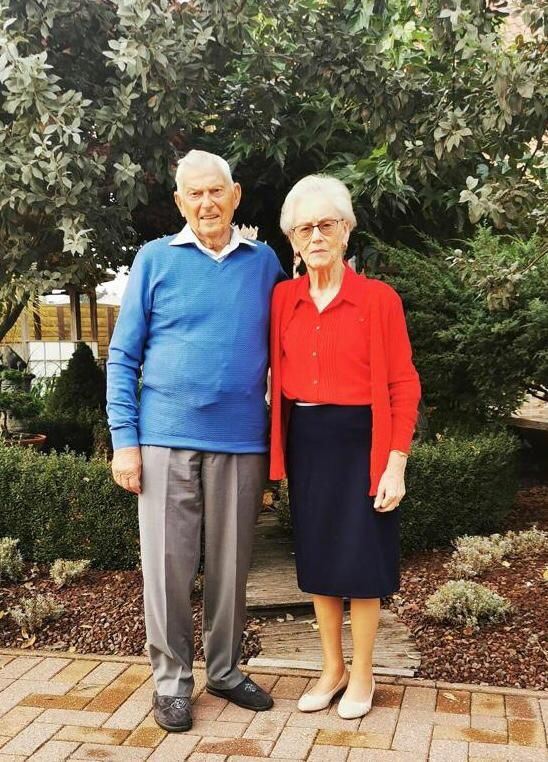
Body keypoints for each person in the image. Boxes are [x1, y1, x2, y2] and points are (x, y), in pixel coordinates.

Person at [106, 150, 286, 732]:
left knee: (232, 568)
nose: (207, 203)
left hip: (241, 439)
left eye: (216, 191)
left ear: (236, 196)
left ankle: (225, 671)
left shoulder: (264, 263)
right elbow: (123, 356)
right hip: (163, 437)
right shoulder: (154, 259)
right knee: (168, 569)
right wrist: (125, 440)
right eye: (195, 194)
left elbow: (284, 347)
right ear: (180, 202)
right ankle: (171, 682)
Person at [269, 175, 421, 719]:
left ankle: (363, 673)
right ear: (292, 240)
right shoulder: (283, 299)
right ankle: (331, 668)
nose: (316, 235)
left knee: (361, 560)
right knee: (319, 557)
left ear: (346, 231)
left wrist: (395, 463)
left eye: (326, 224)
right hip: (308, 440)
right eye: (304, 228)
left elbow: (404, 383)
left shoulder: (378, 299)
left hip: (364, 442)